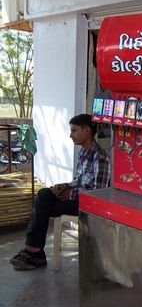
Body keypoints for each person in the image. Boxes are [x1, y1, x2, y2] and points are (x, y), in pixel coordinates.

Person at [10, 113, 111, 270]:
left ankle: (34, 252)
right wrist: (63, 186)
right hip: (75, 196)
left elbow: (97, 192)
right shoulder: (83, 153)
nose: (71, 135)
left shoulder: (100, 157)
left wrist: (69, 194)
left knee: (43, 207)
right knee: (43, 194)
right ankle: (34, 252)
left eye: (74, 131)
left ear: (87, 131)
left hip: (87, 205)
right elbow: (79, 181)